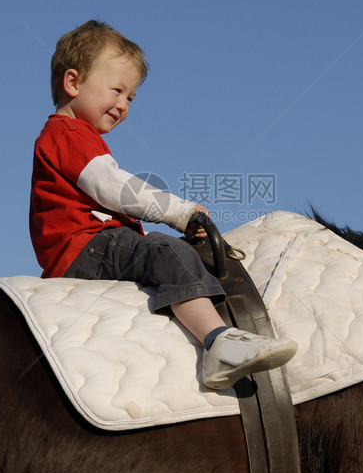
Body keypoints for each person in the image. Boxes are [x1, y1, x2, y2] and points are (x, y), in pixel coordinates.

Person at [29, 20, 296, 390]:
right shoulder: (67, 134)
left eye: (131, 98)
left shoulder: (74, 136)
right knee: (164, 250)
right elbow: (112, 187)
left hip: (92, 245)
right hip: (85, 247)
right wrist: (179, 213)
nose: (123, 105)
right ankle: (218, 342)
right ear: (73, 83)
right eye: (117, 91)